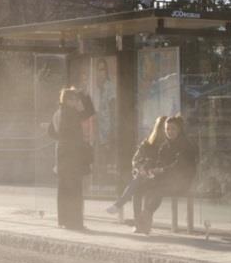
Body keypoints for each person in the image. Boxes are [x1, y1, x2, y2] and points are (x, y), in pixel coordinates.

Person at [133, 115, 197, 234]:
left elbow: (179, 166)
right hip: (165, 180)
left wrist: (161, 171)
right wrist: (149, 169)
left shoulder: (186, 145)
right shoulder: (164, 146)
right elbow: (159, 163)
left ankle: (145, 217)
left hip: (182, 182)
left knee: (156, 190)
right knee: (139, 188)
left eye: (173, 129)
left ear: (179, 129)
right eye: (167, 129)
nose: (170, 132)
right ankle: (140, 222)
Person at [51, 87, 95, 230]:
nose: (76, 102)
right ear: (67, 100)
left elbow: (50, 132)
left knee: (64, 190)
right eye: (74, 99)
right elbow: (89, 112)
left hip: (62, 157)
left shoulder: (58, 113)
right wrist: (84, 95)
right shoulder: (71, 113)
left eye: (76, 99)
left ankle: (64, 221)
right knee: (75, 191)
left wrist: (61, 140)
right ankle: (75, 223)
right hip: (72, 159)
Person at [105, 115, 167, 216]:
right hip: (146, 175)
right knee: (138, 186)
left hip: (161, 177)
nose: (164, 131)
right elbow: (135, 159)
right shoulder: (148, 143)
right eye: (162, 128)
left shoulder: (168, 145)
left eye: (166, 128)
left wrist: (154, 170)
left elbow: (168, 163)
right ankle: (139, 223)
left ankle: (119, 205)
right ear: (157, 128)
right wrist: (140, 168)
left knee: (138, 184)